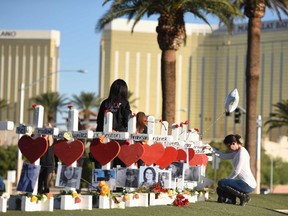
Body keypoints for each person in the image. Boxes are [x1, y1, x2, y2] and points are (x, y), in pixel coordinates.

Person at [94, 79, 132, 168]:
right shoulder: (124, 103)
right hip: (120, 140)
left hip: (104, 139)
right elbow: (127, 121)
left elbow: (99, 121)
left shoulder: (105, 103)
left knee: (103, 164)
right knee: (119, 167)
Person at [214, 134, 256, 206]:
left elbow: (237, 171)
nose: (229, 149)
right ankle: (231, 199)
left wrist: (227, 179)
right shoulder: (237, 152)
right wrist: (210, 149)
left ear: (234, 143)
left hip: (247, 184)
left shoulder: (242, 152)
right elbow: (222, 156)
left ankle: (243, 197)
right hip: (244, 183)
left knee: (222, 183)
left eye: (229, 146)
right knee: (222, 184)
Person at [38, 123, 55, 194]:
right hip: (40, 165)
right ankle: (38, 198)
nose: (45, 133)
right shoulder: (39, 141)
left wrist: (49, 127)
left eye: (47, 131)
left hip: (49, 165)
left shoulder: (51, 141)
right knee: (39, 185)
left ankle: (46, 199)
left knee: (46, 184)